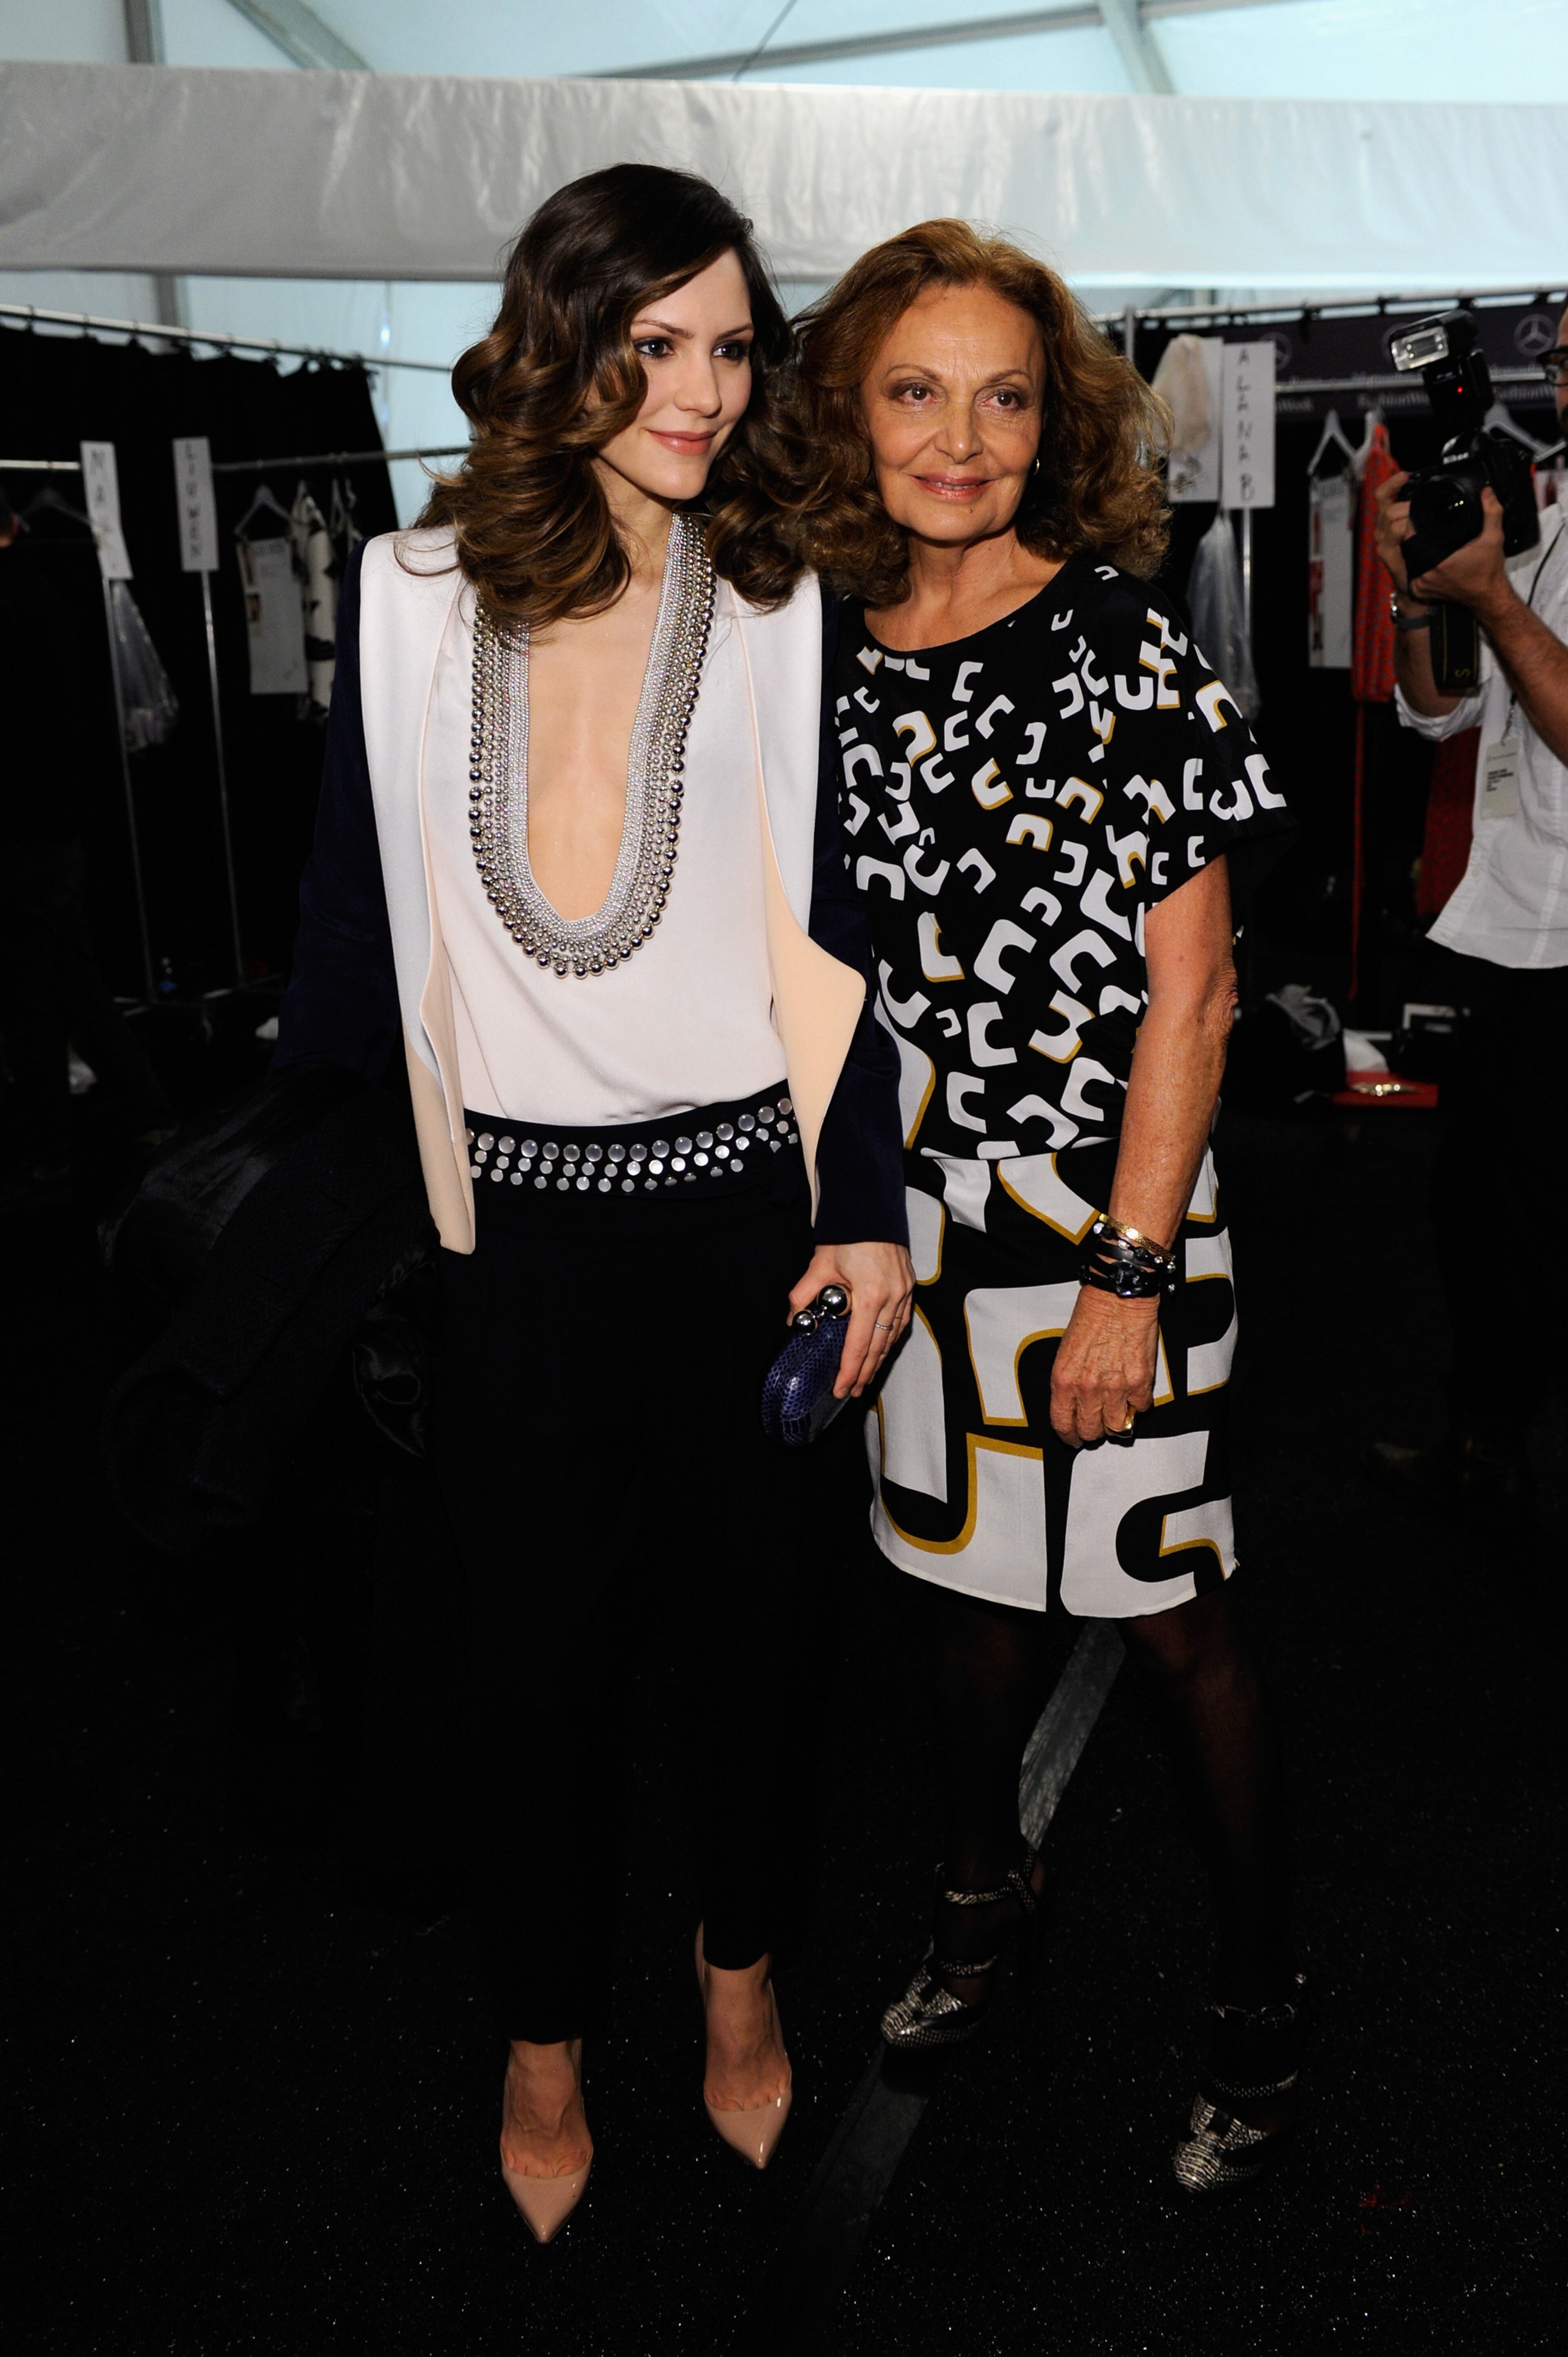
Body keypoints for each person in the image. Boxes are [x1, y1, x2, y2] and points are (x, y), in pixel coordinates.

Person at [273, 165, 913, 2240]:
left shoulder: (782, 605)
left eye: (735, 347)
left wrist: (873, 1214)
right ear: (562, 344)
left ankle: (740, 1990)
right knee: (524, 1680)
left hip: (747, 1231)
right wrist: (349, 1241)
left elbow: (838, 944)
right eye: (657, 345)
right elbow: (345, 960)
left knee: (760, 1664)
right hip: (513, 1256)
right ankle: (541, 2046)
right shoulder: (398, 599)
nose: (707, 390)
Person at [794, 222, 1301, 2192]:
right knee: (957, 1606)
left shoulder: (1118, 642)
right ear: (851, 405)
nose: (960, 435)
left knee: (1175, 1626)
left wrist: (1123, 1276)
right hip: (915, 1236)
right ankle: (983, 1889)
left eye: (1005, 393)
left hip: (1112, 1220)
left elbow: (1199, 990)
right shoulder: (816, 653)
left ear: (1054, 418)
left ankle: (1266, 1999)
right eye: (916, 387)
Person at [1370, 303, 1568, 1534]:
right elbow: (1443, 708)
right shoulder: (1538, 511)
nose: (1559, 374)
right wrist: (1414, 593)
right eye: (1557, 356)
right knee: (1474, 1211)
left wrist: (1493, 598)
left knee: (1538, 1221)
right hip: (1512, 924)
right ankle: (1485, 1441)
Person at [0, 491, 174, 1206]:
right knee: (73, 982)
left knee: (30, 999)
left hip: (22, 836)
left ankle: (49, 1155)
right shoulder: (42, 587)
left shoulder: (15, 595)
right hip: (57, 830)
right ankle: (153, 1115)